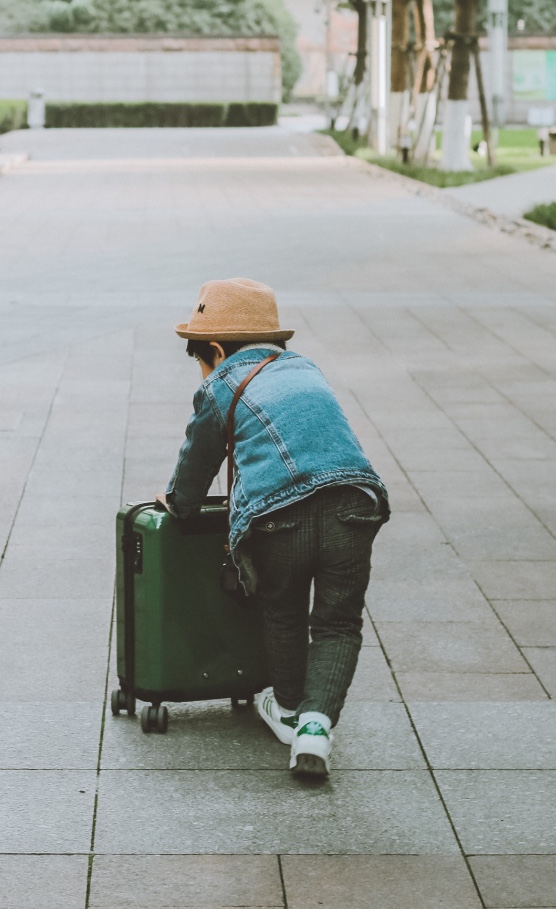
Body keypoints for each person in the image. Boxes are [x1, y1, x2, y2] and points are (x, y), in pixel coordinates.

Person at [162, 277, 389, 781]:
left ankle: (287, 709)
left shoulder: (222, 384)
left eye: (201, 360)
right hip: (356, 503)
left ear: (216, 349)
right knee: (338, 622)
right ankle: (314, 728)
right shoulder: (307, 368)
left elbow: (196, 466)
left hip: (280, 515)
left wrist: (178, 506)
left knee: (282, 610)